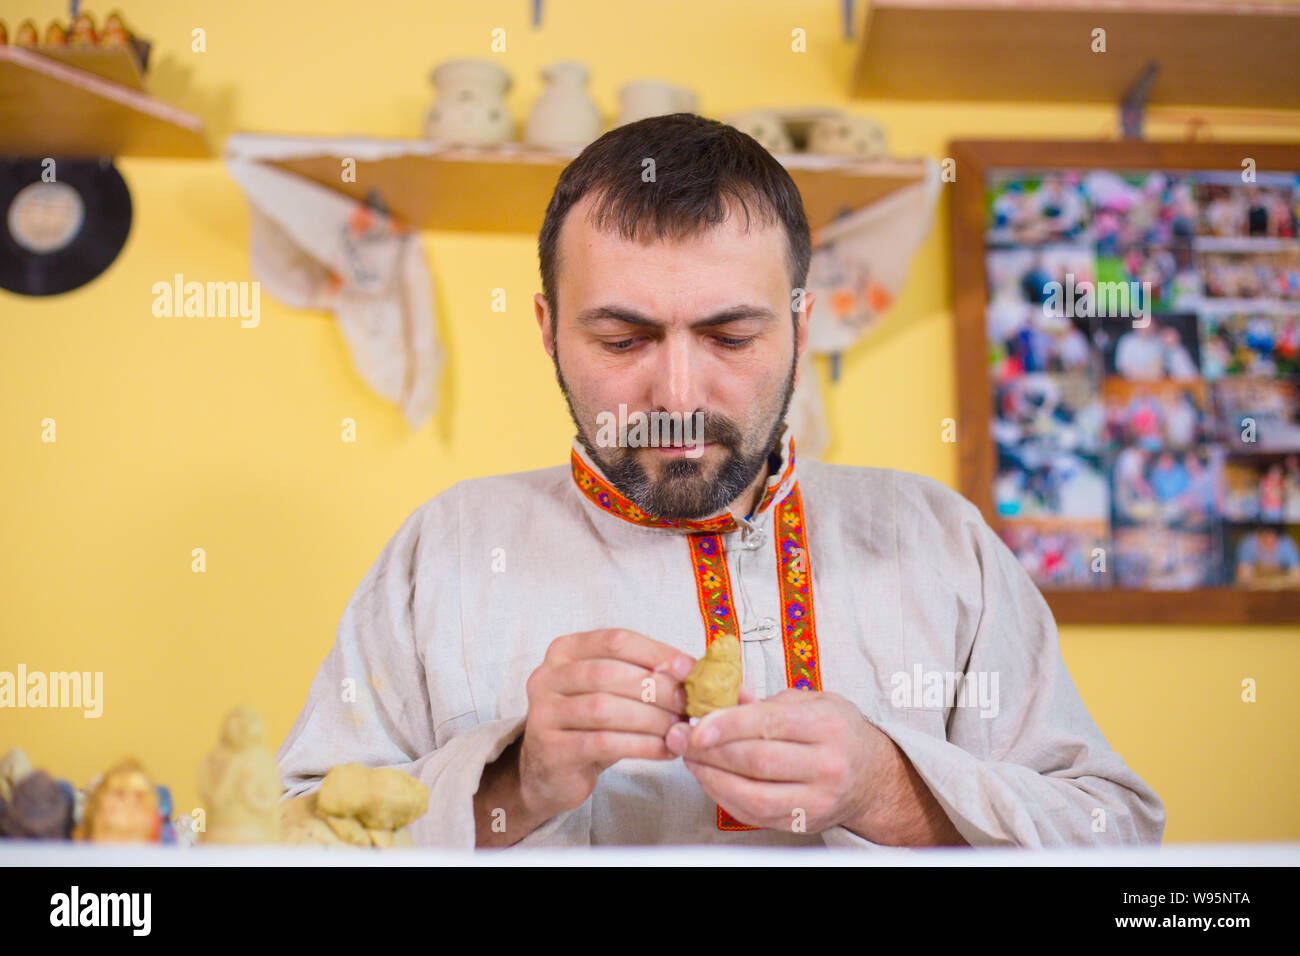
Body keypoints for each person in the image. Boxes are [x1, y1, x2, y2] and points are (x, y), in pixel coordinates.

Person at [277, 115, 1164, 849]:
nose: (676, 395)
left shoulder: (937, 539)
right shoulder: (451, 551)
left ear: (800, 325)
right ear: (548, 330)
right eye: (622, 340)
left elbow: (1118, 835)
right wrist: (512, 783)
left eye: (731, 338)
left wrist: (888, 787)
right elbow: (286, 845)